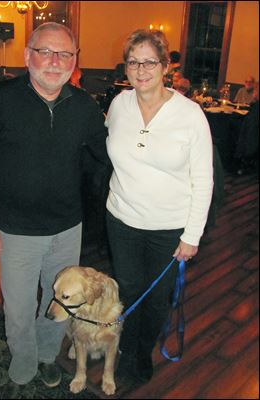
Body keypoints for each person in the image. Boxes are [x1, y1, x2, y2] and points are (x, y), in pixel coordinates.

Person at [0, 22, 109, 398]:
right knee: (19, 307)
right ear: (28, 55)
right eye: (45, 51)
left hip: (66, 227)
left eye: (65, 54)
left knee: (60, 302)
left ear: (75, 61)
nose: (54, 61)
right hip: (15, 229)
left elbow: (102, 160)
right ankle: (24, 363)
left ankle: (46, 356)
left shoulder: (84, 107)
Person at [105, 29, 213, 383]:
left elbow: (204, 179)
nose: (140, 69)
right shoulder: (119, 104)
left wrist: (192, 235)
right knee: (129, 289)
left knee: (156, 298)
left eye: (150, 61)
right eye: (133, 61)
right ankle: (125, 349)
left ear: (165, 65)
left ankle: (141, 351)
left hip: (169, 227)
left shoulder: (190, 114)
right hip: (121, 220)